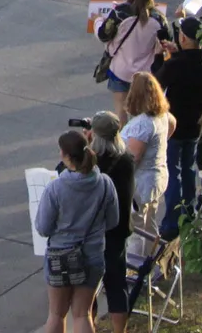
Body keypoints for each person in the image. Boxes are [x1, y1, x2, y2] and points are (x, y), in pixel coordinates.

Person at [35, 128, 119, 333]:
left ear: (66, 156)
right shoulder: (105, 184)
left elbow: (43, 228)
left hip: (60, 257)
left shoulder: (55, 188)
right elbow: (113, 221)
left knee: (56, 314)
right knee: (83, 314)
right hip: (92, 255)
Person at [152, 16, 202, 237]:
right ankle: (190, 214)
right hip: (196, 125)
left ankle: (171, 224)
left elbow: (157, 84)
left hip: (174, 127)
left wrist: (160, 58)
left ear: (183, 38)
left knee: (172, 173)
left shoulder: (175, 65)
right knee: (189, 170)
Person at [85, 114, 137, 333]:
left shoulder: (94, 163)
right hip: (119, 230)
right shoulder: (126, 158)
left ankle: (89, 325)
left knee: (88, 288)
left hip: (96, 233)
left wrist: (85, 147)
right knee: (117, 285)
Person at [97, 0, 173, 100]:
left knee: (121, 111)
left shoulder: (120, 12)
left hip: (120, 71)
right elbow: (166, 42)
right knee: (141, 110)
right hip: (145, 73)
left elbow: (103, 36)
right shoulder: (159, 19)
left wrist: (98, 21)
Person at [121, 72, 174, 234]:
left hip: (141, 185)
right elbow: (173, 124)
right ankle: (152, 256)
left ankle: (138, 259)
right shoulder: (162, 115)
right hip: (157, 177)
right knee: (150, 224)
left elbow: (134, 157)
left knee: (136, 229)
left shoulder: (142, 124)